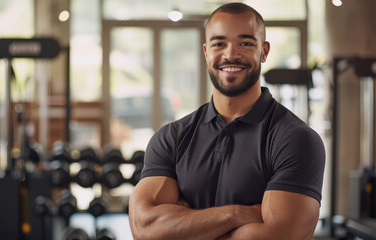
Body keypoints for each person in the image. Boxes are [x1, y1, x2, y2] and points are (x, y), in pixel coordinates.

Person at [128, 2, 325, 240]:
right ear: (206, 52)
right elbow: (146, 229)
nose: (231, 54)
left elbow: (279, 235)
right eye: (219, 43)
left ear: (263, 51)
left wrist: (185, 225)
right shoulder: (171, 138)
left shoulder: (295, 139)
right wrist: (238, 214)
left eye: (245, 43)